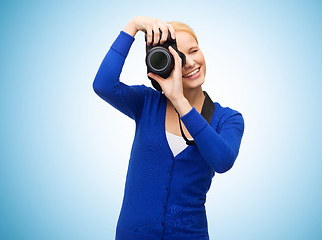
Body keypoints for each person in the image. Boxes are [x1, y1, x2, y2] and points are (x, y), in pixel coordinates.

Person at [93, 16, 245, 240]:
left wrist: (179, 100)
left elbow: (222, 161)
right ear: (164, 64)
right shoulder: (146, 103)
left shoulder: (228, 119)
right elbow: (103, 85)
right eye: (179, 58)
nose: (190, 63)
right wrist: (133, 26)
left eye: (194, 51)